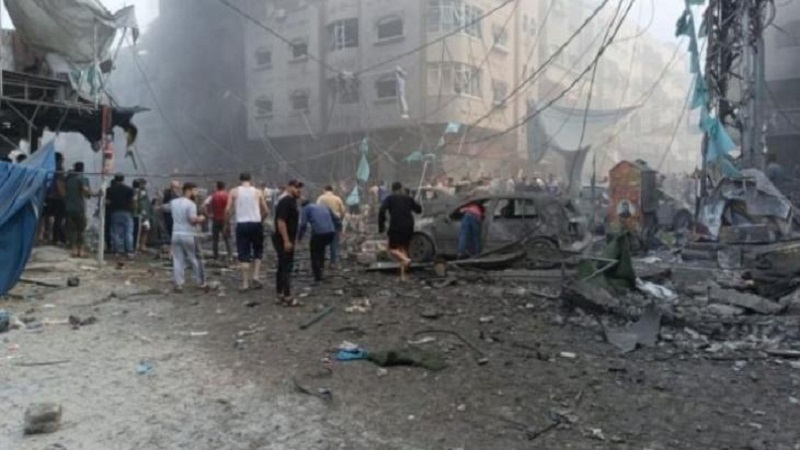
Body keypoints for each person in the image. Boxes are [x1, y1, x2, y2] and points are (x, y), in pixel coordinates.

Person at [226, 173, 269, 291]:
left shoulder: (234, 192)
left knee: (243, 252)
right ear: (251, 180)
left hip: (242, 224)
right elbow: (266, 211)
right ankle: (255, 276)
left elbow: (227, 209)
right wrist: (260, 220)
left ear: (239, 180)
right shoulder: (258, 192)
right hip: (256, 223)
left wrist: (227, 222)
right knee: (258, 250)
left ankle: (245, 283)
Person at [166, 182, 209, 293]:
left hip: (175, 234)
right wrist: (201, 218)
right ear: (189, 190)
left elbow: (164, 209)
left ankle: (179, 284)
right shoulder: (190, 204)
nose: (196, 193)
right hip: (188, 234)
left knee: (177, 259)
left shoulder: (174, 202)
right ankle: (201, 282)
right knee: (195, 258)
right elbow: (192, 219)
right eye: (195, 190)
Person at [378, 182, 422, 281]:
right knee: (403, 249)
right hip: (409, 227)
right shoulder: (408, 198)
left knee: (392, 249)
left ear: (393, 189)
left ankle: (406, 260)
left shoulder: (389, 199)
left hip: (396, 227)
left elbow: (381, 210)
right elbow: (419, 210)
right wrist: (414, 201)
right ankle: (403, 276)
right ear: (400, 189)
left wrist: (381, 227)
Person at [273, 180, 303, 306]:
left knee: (282, 265)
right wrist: (286, 240)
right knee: (286, 266)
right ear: (289, 187)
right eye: (296, 187)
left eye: (300, 188)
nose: (299, 190)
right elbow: (281, 221)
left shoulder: (292, 201)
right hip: (282, 239)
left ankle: (280, 294)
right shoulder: (285, 201)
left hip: (287, 238)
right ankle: (287, 296)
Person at [299, 200, 339, 283]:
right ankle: (321, 267)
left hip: (319, 233)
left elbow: (303, 224)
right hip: (330, 232)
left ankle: (318, 275)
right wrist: (338, 229)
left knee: (314, 253)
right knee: (321, 248)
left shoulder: (305, 208)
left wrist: (299, 237)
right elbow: (335, 218)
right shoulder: (323, 206)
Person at [64, 162, 91, 258]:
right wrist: (95, 193)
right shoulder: (83, 179)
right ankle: (81, 250)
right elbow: (86, 191)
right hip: (79, 207)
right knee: (81, 229)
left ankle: (74, 249)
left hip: (69, 207)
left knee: (72, 230)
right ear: (83, 169)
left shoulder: (69, 180)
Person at [107, 173, 136, 258]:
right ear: (123, 179)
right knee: (128, 232)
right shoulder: (129, 190)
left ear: (115, 179)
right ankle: (129, 251)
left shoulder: (110, 190)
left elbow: (107, 202)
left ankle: (117, 251)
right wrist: (134, 210)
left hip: (115, 212)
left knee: (115, 232)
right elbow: (133, 202)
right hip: (127, 212)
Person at [317, 185, 346, 268]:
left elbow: (317, 209)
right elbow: (343, 211)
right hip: (335, 221)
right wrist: (340, 219)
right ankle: (332, 262)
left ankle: (321, 262)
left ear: (324, 190)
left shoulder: (321, 198)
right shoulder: (337, 199)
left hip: (323, 221)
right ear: (332, 190)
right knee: (334, 242)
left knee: (322, 241)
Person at [204, 181, 233, 260]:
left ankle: (216, 256)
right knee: (227, 238)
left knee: (215, 239)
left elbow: (204, 205)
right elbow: (230, 208)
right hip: (225, 219)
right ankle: (230, 255)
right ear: (224, 187)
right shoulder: (227, 195)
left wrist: (208, 215)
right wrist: (229, 217)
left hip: (215, 219)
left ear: (217, 187)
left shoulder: (213, 196)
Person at [43, 152, 67, 245]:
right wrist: (64, 197)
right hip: (57, 198)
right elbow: (59, 184)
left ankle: (47, 236)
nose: (63, 161)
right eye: (62, 159)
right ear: (59, 160)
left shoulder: (49, 168)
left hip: (48, 197)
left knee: (47, 217)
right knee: (59, 219)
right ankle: (57, 239)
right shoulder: (59, 170)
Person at [136, 179, 154, 252]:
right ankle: (141, 245)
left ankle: (142, 245)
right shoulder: (140, 192)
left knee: (145, 229)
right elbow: (141, 202)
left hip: (146, 214)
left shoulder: (143, 192)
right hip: (143, 214)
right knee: (144, 229)